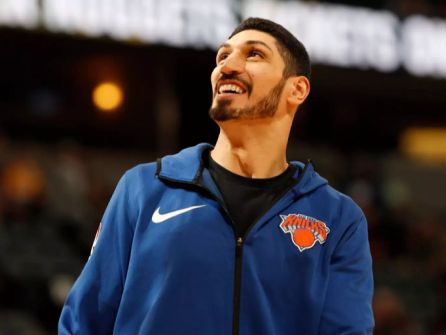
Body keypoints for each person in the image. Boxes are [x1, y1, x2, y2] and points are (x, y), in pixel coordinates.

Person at [59, 17, 374, 334]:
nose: (227, 65)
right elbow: (83, 323)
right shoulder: (143, 188)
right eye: (222, 56)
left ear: (297, 89)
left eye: (254, 54)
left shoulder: (338, 219)